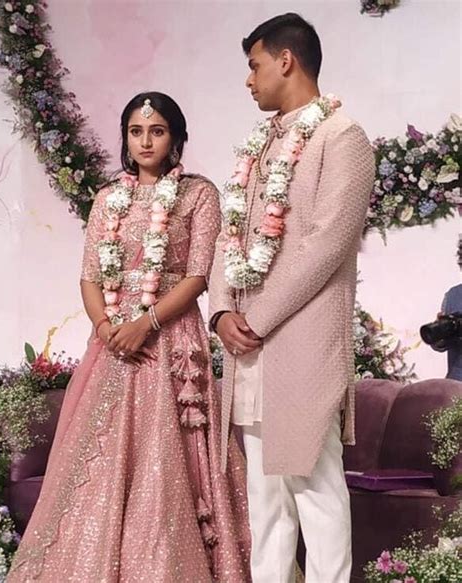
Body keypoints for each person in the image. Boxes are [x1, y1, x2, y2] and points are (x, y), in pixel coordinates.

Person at [8, 92, 250, 582]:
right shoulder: (106, 197)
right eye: (136, 132)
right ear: (125, 138)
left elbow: (199, 274)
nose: (145, 140)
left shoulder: (198, 195)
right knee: (101, 454)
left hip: (170, 339)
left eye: (157, 131)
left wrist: (148, 324)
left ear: (176, 137)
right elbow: (90, 275)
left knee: (168, 455)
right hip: (113, 343)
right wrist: (105, 328)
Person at [209, 14, 375, 583]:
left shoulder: (342, 137)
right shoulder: (258, 147)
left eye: (254, 66)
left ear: (286, 60)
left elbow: (325, 244)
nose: (249, 80)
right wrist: (222, 311)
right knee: (265, 498)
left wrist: (254, 316)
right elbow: (226, 238)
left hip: (303, 344)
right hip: (249, 348)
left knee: (317, 490)